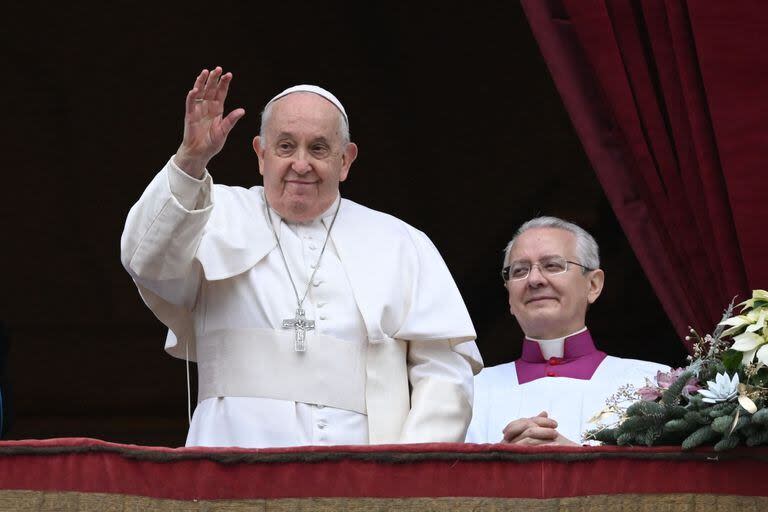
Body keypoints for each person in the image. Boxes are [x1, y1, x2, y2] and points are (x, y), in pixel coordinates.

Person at [121, 67, 482, 448]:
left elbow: (444, 374)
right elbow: (144, 258)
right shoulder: (209, 212)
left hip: (362, 485)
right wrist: (190, 160)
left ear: (346, 160)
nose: (301, 163)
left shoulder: (401, 243)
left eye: (319, 148)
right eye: (286, 146)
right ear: (261, 154)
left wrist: (404, 473)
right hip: (230, 470)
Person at [466, 216, 667, 445]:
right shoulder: (471, 391)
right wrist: (501, 464)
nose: (534, 279)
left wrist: (575, 462)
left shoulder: (652, 383)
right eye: (519, 271)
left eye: (552, 265)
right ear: (509, 295)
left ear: (593, 285)